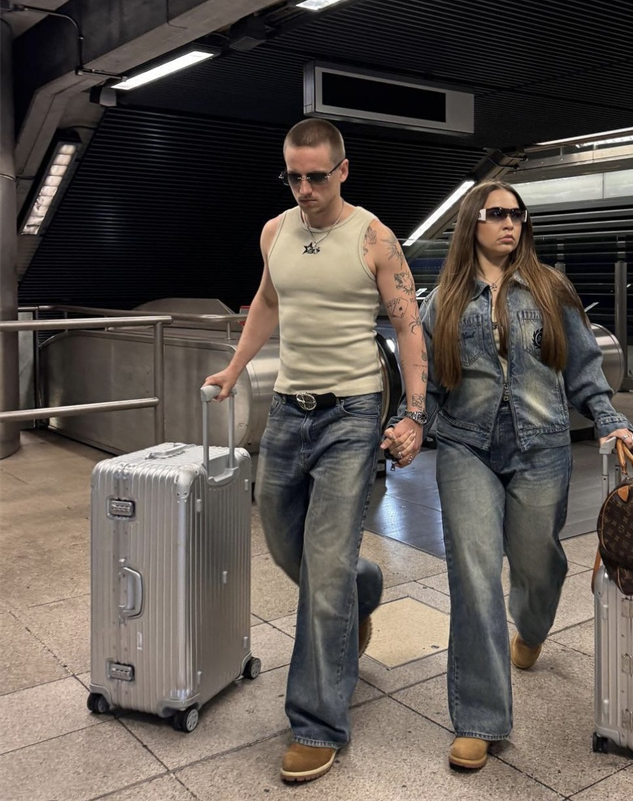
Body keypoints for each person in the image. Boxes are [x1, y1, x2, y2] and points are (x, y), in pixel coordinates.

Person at [384, 181, 633, 771]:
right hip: (466, 447)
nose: (509, 224)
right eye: (496, 214)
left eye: (517, 215)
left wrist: (608, 417)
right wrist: (410, 422)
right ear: (472, 222)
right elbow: (429, 381)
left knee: (538, 562)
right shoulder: (443, 300)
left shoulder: (550, 288)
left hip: (541, 445)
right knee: (473, 577)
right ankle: (479, 718)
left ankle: (532, 625)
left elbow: (583, 366)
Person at [204, 118, 426, 783]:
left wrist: (416, 414)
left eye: (316, 177)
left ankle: (317, 723)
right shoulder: (275, 232)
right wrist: (236, 368)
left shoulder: (374, 237)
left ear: (342, 171)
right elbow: (267, 301)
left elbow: (409, 327)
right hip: (286, 412)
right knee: (283, 541)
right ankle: (364, 587)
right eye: (293, 176)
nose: (304, 188)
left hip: (352, 415)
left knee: (324, 571)